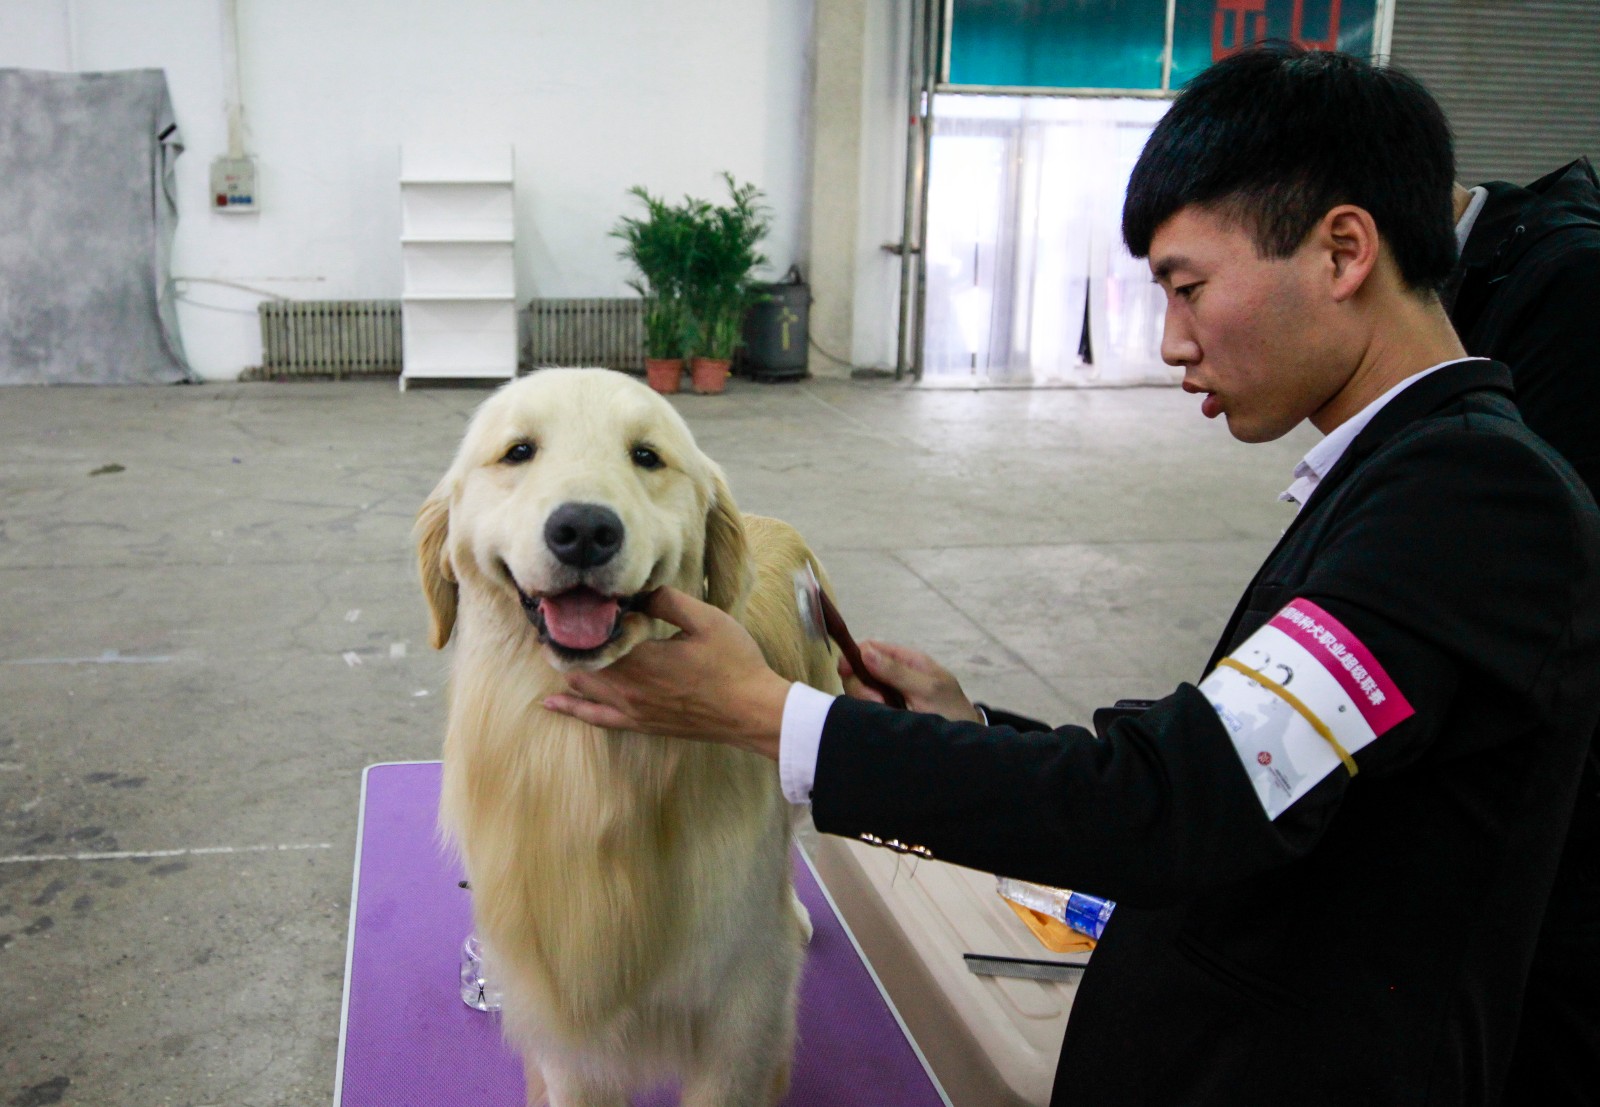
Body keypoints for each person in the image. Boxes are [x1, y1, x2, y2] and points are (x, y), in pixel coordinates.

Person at [546, 46, 1600, 1106]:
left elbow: (1178, 806)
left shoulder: (1473, 497)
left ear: (1341, 251)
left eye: (1188, 287)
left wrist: (773, 715)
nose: (1171, 340)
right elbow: (1229, 759)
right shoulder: (1397, 472)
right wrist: (970, 734)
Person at [1449, 158, 1600, 1105]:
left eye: (1193, 285)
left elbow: (1521, 581)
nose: (1178, 341)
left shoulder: (1572, 288)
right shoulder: (1510, 270)